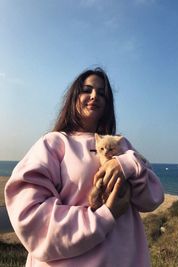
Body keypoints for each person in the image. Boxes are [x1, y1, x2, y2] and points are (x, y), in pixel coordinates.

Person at [4, 67, 164, 267]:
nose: (94, 95)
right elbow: (31, 216)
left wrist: (128, 163)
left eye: (102, 93)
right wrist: (106, 215)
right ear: (74, 97)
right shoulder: (54, 143)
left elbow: (152, 199)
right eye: (87, 90)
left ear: (108, 104)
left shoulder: (122, 145)